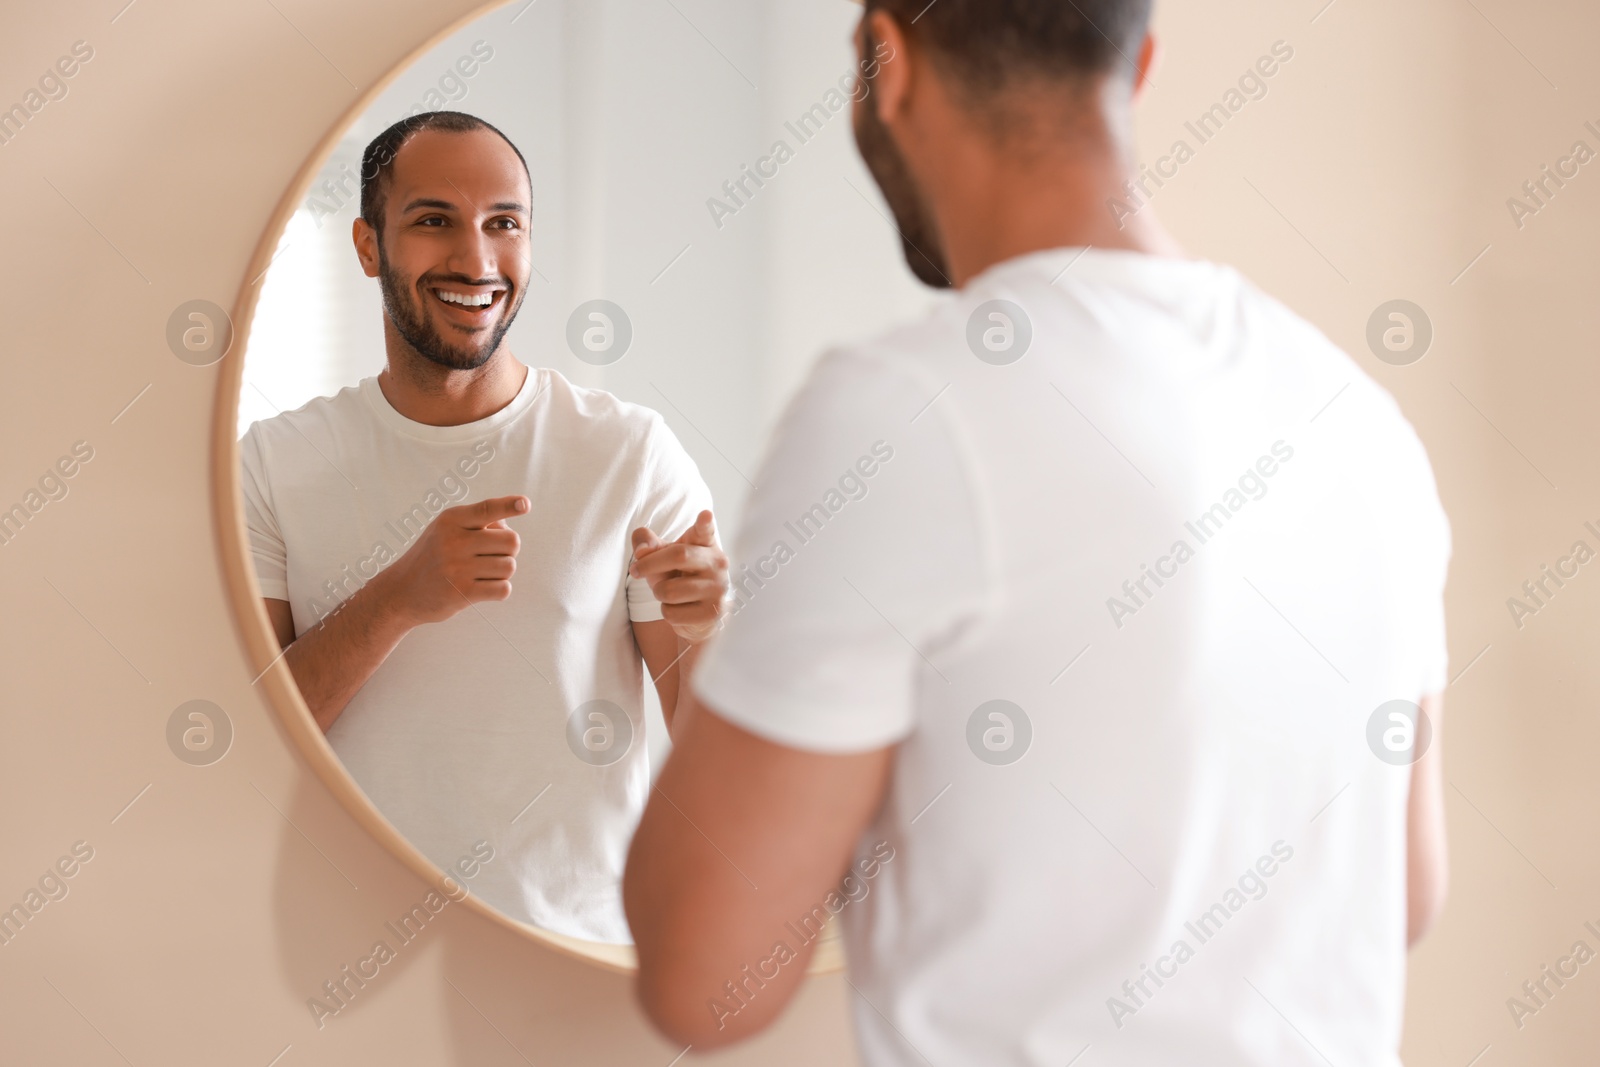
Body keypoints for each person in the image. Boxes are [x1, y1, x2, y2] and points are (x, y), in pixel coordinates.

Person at [623, 2, 1451, 1063]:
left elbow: (702, 982)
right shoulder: (1355, 418)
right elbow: (1402, 893)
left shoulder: (902, 410)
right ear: (1138, 66)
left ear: (889, 59)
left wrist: (734, 657)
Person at [239, 111, 728, 944]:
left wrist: (708, 631)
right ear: (367, 246)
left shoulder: (626, 452)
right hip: (343, 957)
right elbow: (249, 743)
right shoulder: (276, 460)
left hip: (568, 963)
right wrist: (397, 598)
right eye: (434, 221)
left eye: (505, 224)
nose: (476, 260)